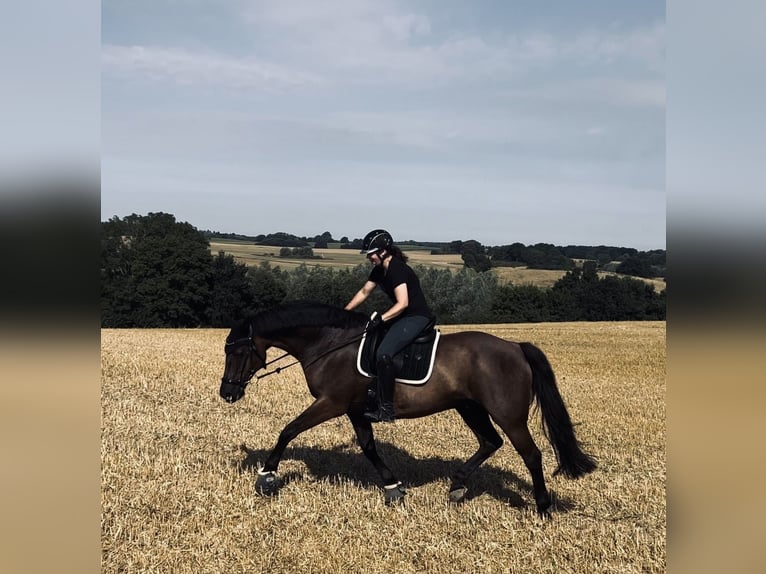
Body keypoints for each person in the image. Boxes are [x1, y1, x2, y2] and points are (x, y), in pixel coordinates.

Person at [345, 229, 435, 423]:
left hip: (416, 317)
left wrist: (382, 319)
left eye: (372, 253)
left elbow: (403, 303)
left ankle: (386, 409)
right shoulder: (379, 269)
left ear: (384, 251)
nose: (369, 257)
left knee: (383, 354)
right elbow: (364, 291)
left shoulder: (397, 269)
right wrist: (345, 312)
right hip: (402, 316)